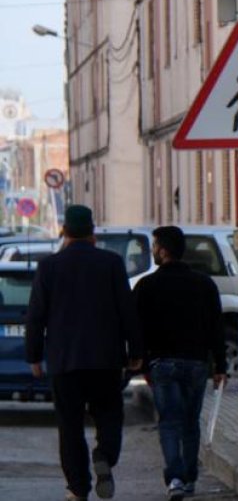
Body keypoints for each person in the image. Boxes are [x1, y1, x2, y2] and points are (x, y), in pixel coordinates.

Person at [25, 205, 144, 501]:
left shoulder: (49, 267)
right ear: (93, 233)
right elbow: (127, 311)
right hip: (105, 360)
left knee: (70, 428)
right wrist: (136, 351)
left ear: (64, 232)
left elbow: (36, 316)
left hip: (64, 361)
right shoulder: (111, 263)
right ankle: (104, 455)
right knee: (109, 416)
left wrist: (34, 356)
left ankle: (78, 488)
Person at [133, 226, 227, 501]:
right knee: (190, 422)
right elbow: (216, 327)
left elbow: (136, 328)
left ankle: (175, 477)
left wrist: (140, 363)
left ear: (163, 251)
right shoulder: (204, 285)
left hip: (162, 364)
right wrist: (220, 366)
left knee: (169, 422)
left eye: (154, 246)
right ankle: (189, 478)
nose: (152, 251)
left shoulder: (146, 286)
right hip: (196, 363)